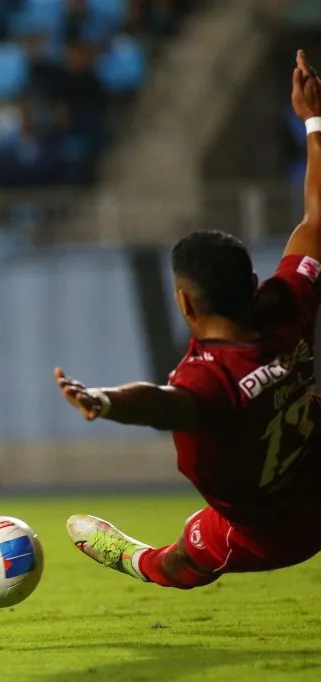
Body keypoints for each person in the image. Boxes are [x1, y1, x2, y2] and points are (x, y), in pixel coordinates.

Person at [54, 50, 321, 590]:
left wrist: (103, 401)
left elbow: (159, 404)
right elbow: (317, 218)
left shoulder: (207, 381)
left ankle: (134, 560)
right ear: (252, 285)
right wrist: (314, 121)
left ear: (186, 305)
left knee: (180, 561)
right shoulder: (287, 301)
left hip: (273, 533)